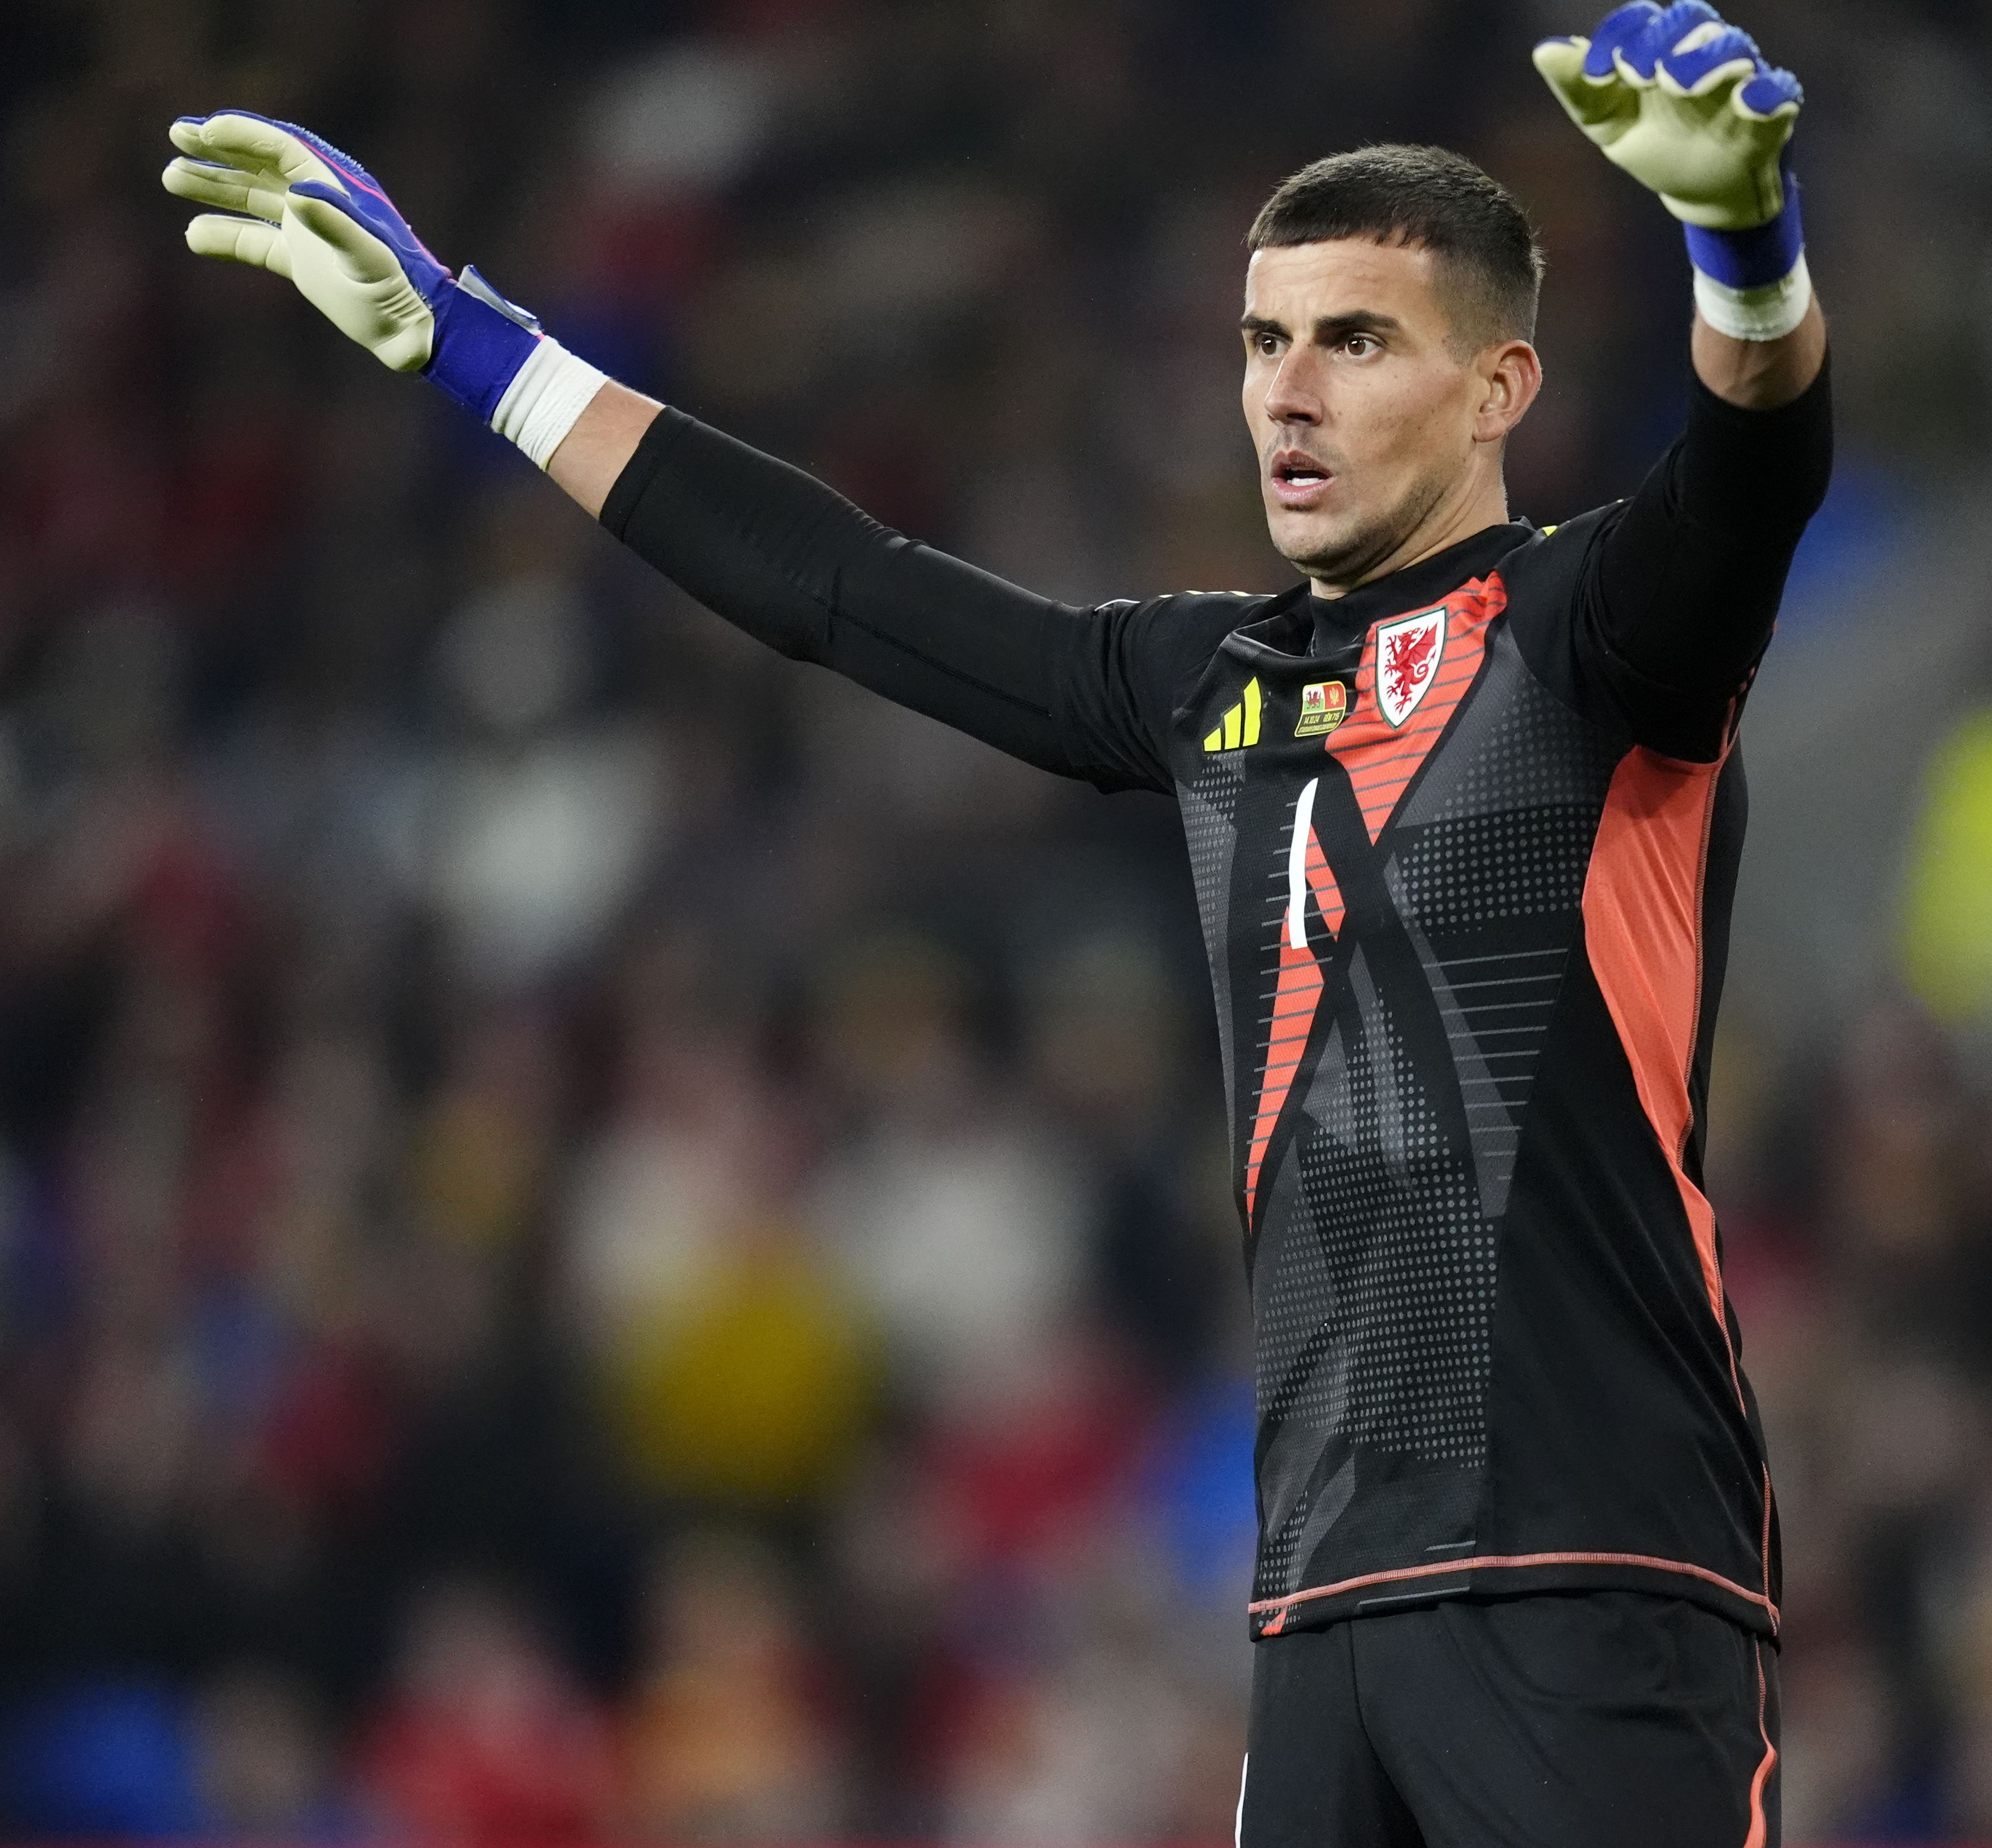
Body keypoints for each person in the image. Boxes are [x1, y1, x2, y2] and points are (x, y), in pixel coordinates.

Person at [160, 3, 1831, 1840]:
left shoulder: (1597, 639)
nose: (1289, 391)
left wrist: (1743, 253)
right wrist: (481, 351)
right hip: (1323, 1615)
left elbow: (1756, 477)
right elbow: (845, 592)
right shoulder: (1214, 681)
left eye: (1356, 343)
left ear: (1501, 386)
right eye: (1265, 342)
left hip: (1593, 1574)